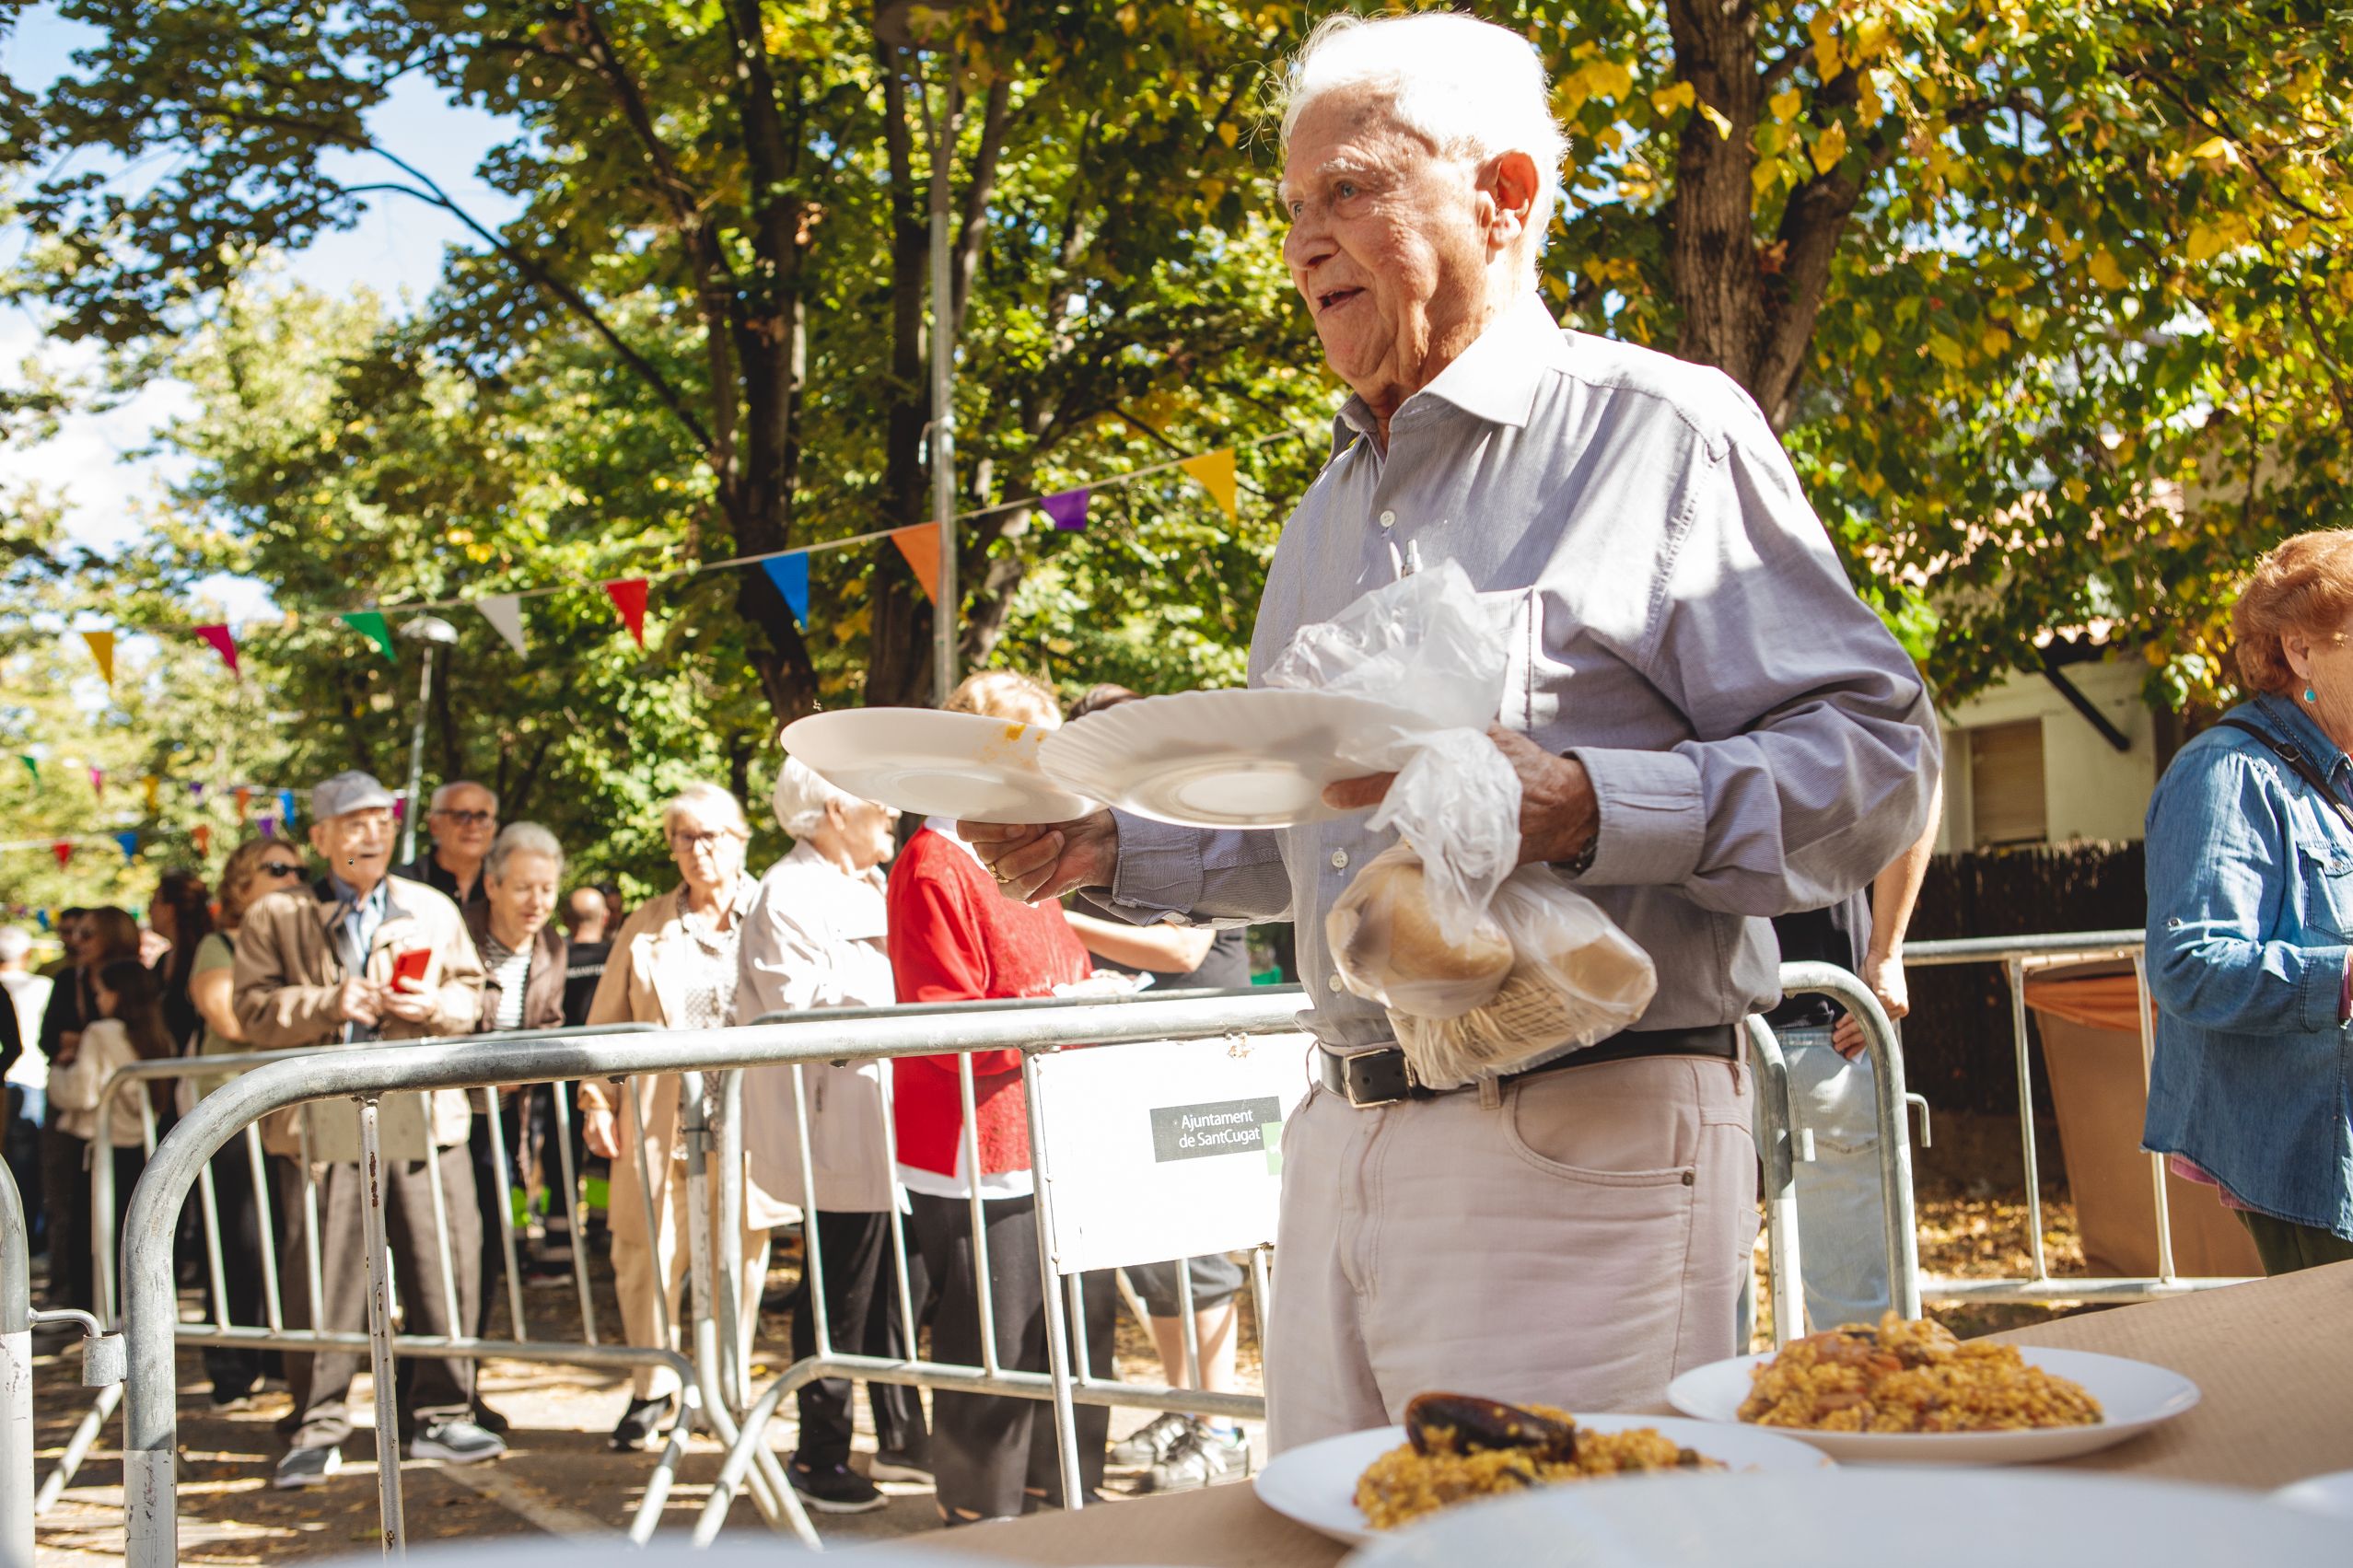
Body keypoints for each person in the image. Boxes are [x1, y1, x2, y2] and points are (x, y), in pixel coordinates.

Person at [964, 12, 1939, 1452]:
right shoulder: (1320, 512)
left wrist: (1586, 804)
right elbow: (1331, 827)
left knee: (1553, 1555)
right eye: (1291, 206)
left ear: (1504, 195)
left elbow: (1878, 761)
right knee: (1332, 1542)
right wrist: (1107, 839)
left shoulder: (1657, 431)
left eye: (1348, 189)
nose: (1303, 239)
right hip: (1342, 1129)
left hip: (1581, 1136)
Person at [893, 670, 1121, 1525]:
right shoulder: (933, 861)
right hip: (982, 1140)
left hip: (1056, 1126)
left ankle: (1063, 1496)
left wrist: (1086, 1000)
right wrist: (1053, 1014)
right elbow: (937, 1019)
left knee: (1069, 1327)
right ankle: (978, 1518)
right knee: (998, 1339)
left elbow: (1061, 960)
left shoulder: (1026, 853)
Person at [233, 770, 500, 1487]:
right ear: (320, 837)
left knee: (443, 1260)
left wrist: (428, 1004)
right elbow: (250, 1009)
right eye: (353, 822)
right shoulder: (277, 914)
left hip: (421, 1111)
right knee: (323, 1272)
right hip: (322, 1121)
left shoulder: (431, 907)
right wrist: (329, 1000)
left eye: (382, 820)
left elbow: (470, 997)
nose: (372, 833)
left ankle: (443, 1411)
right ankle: (316, 1423)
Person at [1057, 684, 1252, 1492]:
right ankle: (1187, 1402)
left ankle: (1223, 1423)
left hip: (1199, 1059)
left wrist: (1045, 915)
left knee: (1200, 1249)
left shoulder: (1189, 814)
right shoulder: (1098, 837)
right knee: (1155, 1251)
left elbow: (1182, 949)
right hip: (1139, 1058)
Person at [2145, 530, 2353, 1274]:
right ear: (2300, 651)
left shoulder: (2340, 772)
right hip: (2309, 1162)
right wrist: (2344, 979)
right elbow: (2188, 965)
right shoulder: (2224, 772)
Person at [736, 757, 931, 1514]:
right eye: (868, 795)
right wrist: (908, 996)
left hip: (888, 1123)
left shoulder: (866, 887)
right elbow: (801, 1011)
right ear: (826, 810)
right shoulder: (786, 892)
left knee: (892, 1291)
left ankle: (901, 1435)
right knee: (839, 1294)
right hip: (834, 1126)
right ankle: (819, 1456)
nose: (887, 806)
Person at [579, 783, 775, 1452]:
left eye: (713, 834)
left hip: (749, 1121)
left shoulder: (768, 912)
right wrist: (596, 1101)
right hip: (660, 1120)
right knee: (644, 1256)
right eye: (684, 836)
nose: (699, 849)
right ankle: (652, 1387)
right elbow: (601, 1023)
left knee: (739, 1261)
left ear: (742, 839)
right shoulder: (646, 922)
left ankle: (726, 1389)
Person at [1748, 784, 1940, 1340]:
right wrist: (1885, 951)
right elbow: (1916, 765)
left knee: (1860, 1325)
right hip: (1727, 1031)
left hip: (1815, 1025)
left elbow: (1917, 769)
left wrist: (1887, 951)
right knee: (1858, 1320)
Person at [183, 839, 309, 1404]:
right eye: (277, 869)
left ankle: (290, 1362)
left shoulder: (305, 938)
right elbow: (233, 1020)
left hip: (294, 1112)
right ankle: (233, 1368)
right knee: (237, 1239)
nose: (292, 879)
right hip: (233, 1112)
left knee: (292, 1236)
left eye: (299, 871)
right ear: (241, 883)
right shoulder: (220, 943)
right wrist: (300, 1009)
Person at [461, 823, 569, 1371]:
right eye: (524, 887)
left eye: (547, 889)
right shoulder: (460, 934)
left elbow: (550, 1023)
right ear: (493, 885)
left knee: (487, 1250)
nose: (537, 902)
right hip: (450, 1117)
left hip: (507, 1117)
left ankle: (464, 1378)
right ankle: (438, 1385)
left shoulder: (553, 946)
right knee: (460, 1253)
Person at [46, 958, 172, 1312]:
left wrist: (59, 1067)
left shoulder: (101, 1033)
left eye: (101, 992)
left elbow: (80, 1093)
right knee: (135, 1235)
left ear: (118, 995)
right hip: (144, 1147)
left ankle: (96, 1319)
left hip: (105, 1146)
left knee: (96, 1237)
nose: (97, 1000)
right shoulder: (158, 1034)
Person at [38, 907, 142, 1307]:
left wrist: (79, 1048)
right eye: (74, 933)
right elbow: (50, 1039)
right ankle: (74, 1296)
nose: (76, 941)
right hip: (79, 1122)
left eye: (88, 933)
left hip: (107, 1117)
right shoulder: (68, 980)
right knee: (68, 1206)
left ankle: (108, 1306)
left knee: (116, 1216)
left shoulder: (130, 982)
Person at [0, 926, 51, 1248]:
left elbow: (14, 1045)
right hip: (31, 1080)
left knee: (18, 1167)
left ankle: (20, 1244)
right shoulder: (43, 985)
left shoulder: (39, 986)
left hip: (26, 1084)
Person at [396, 781, 500, 908]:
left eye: (482, 817)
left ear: (494, 827)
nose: (473, 826)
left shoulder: (505, 885)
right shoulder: (403, 884)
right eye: (461, 816)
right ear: (434, 825)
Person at [149, 867, 215, 1054]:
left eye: (154, 902)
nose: (149, 910)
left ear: (170, 910)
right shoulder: (164, 960)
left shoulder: (203, 955)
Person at [560, 887, 612, 1028]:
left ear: (564, 919)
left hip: (561, 1045)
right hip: (611, 1044)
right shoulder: (618, 958)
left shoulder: (551, 960)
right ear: (605, 917)